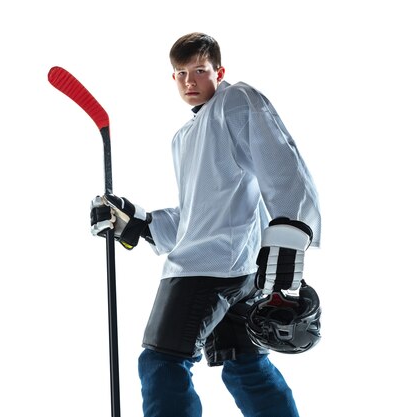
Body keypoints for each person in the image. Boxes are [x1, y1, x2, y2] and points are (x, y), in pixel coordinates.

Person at [90, 32, 321, 417]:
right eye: (180, 73)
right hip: (235, 268)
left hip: (207, 269)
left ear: (219, 71)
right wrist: (136, 222)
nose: (189, 81)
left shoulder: (235, 101)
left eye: (199, 70)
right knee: (244, 364)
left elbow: (281, 162)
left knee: (161, 363)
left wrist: (288, 235)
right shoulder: (185, 137)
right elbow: (196, 214)